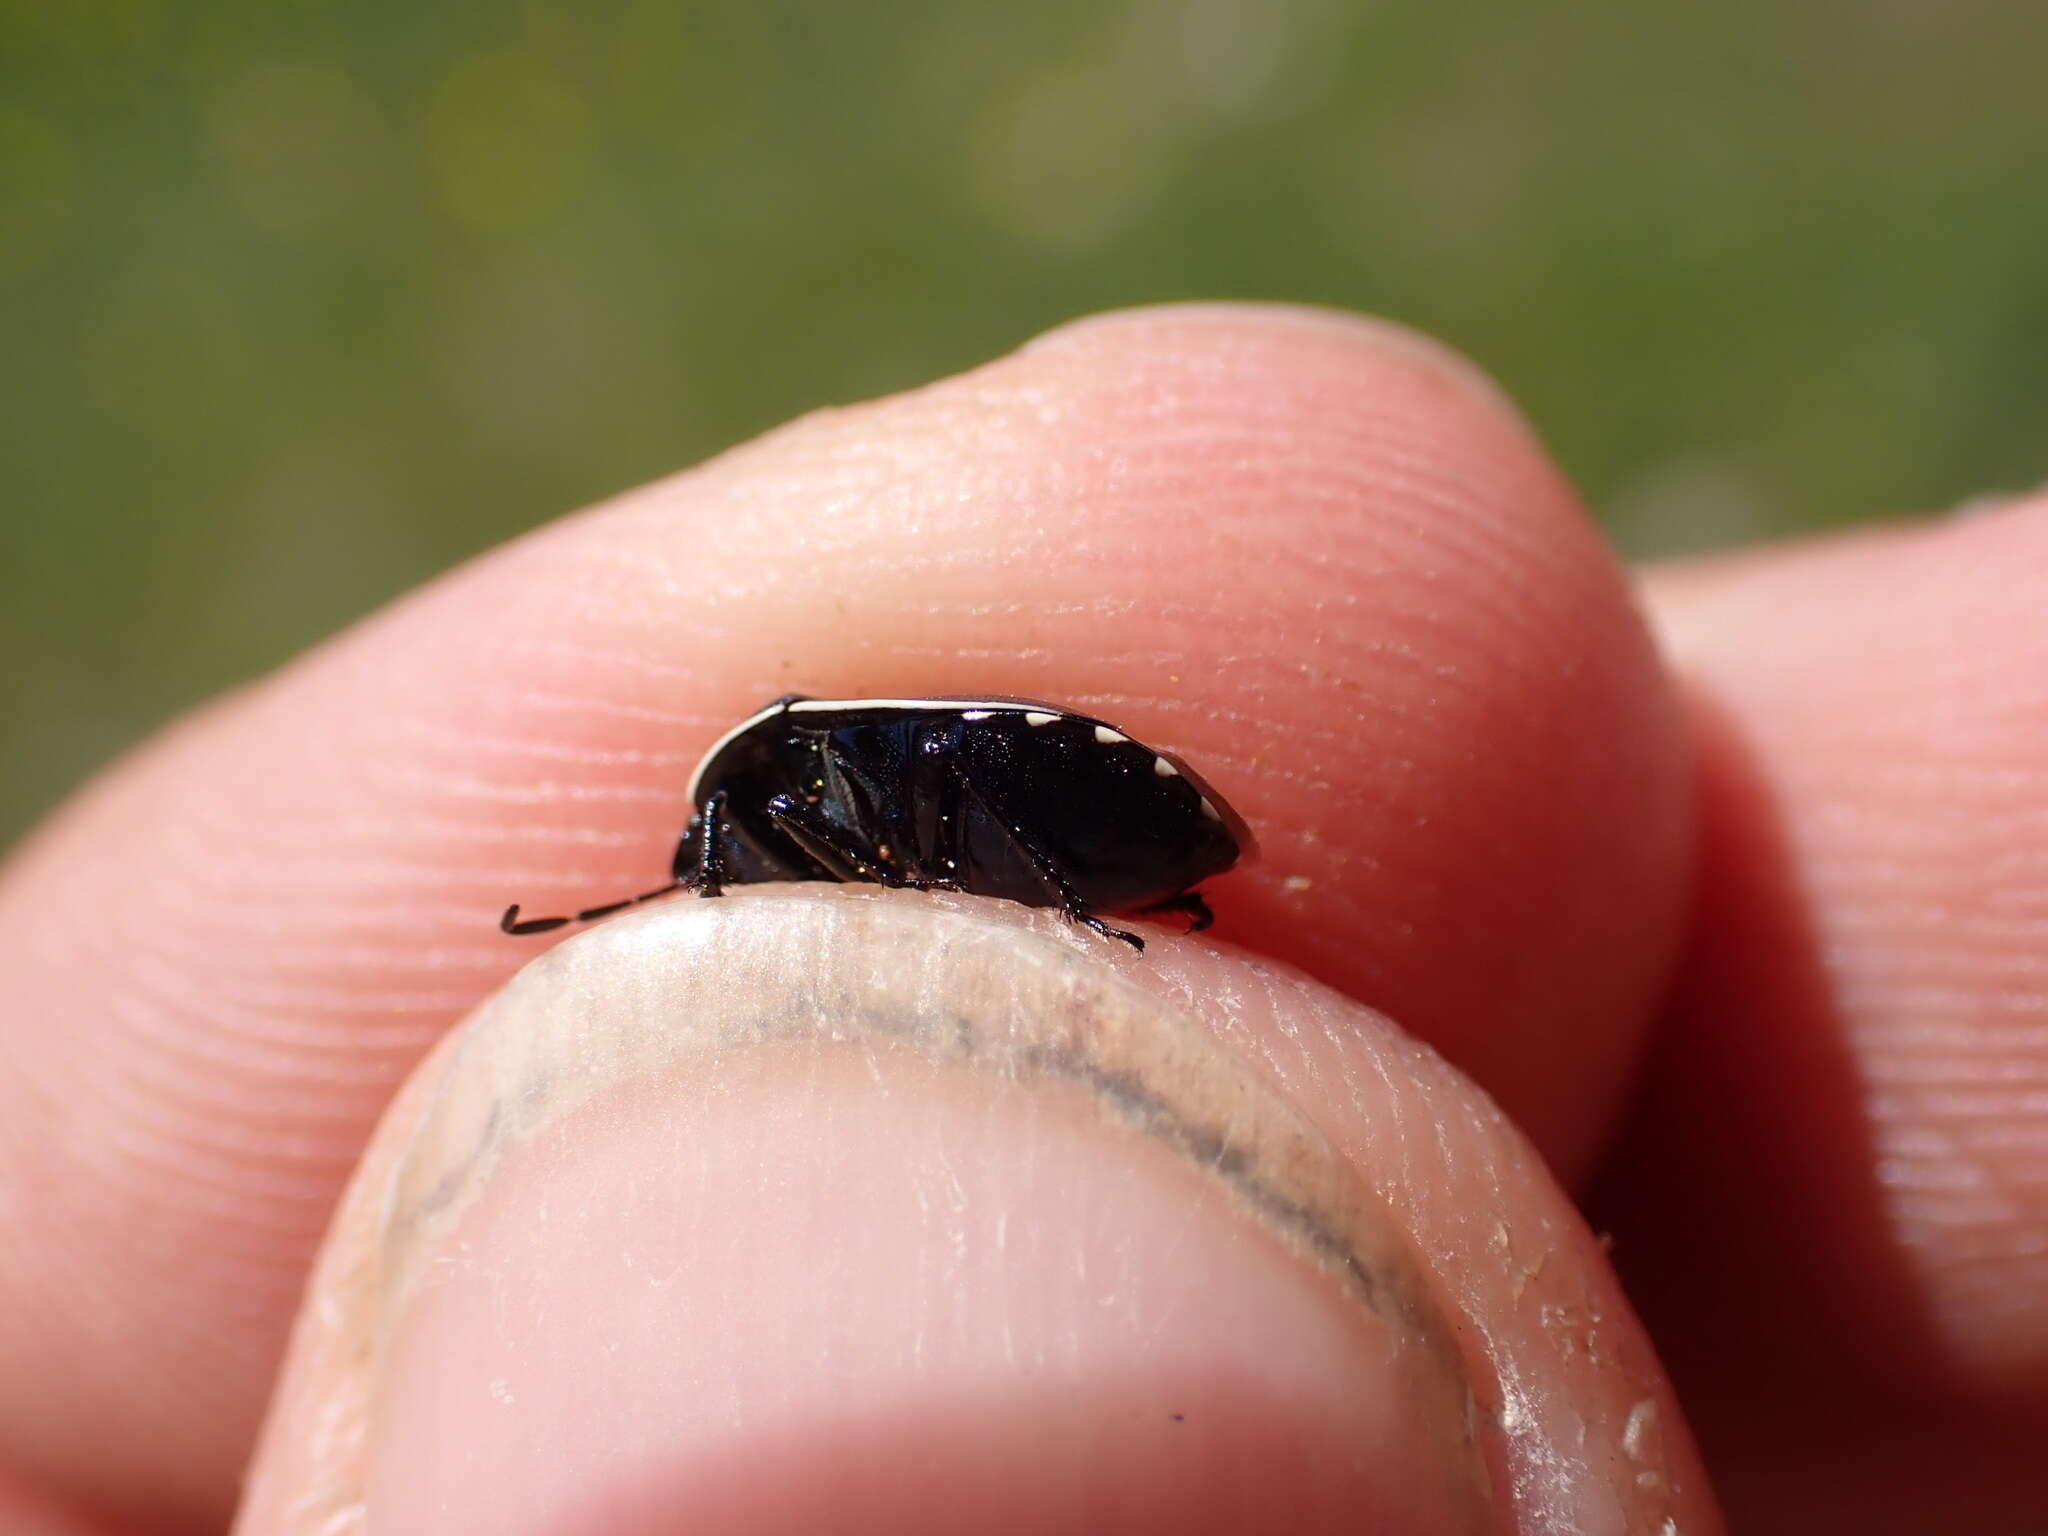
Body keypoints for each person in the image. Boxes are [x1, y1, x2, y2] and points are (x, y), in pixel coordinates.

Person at [1, 305, 2040, 1535]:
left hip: (1091, 820)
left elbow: (888, 810)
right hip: (1086, 832)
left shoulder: (792, 786)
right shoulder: (773, 797)